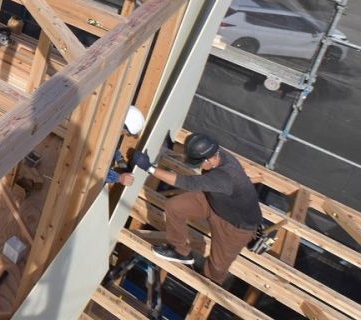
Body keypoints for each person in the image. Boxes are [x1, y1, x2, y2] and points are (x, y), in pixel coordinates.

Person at [135, 133, 262, 284]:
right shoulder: (215, 153)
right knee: (174, 207)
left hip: (235, 227)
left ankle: (210, 288)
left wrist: (150, 168)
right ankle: (180, 251)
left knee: (215, 269)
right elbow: (196, 153)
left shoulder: (224, 177)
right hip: (215, 201)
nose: (199, 167)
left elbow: (187, 183)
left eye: (200, 164)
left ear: (210, 160)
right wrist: (171, 146)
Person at [105, 106, 146, 186]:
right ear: (122, 125)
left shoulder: (109, 129)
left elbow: (112, 147)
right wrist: (118, 178)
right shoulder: (101, 136)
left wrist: (119, 159)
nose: (125, 135)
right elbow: (94, 169)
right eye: (127, 133)